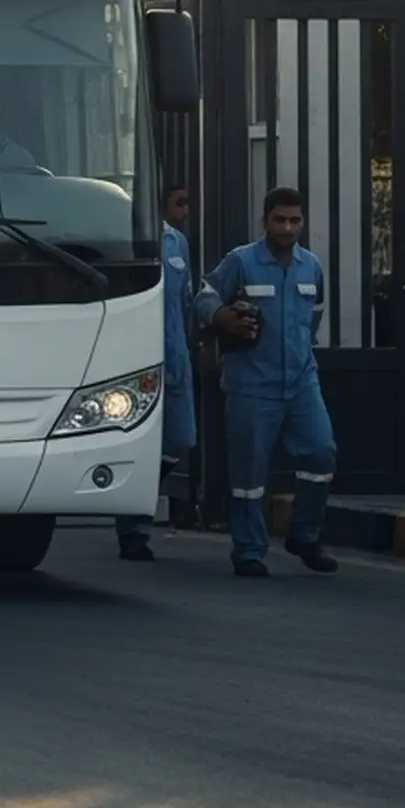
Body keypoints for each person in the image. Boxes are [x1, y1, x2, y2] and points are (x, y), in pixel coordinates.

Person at [202, 186, 341, 578]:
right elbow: (204, 297)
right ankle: (249, 550)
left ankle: (305, 535)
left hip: (300, 384)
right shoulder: (241, 262)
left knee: (321, 454)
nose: (287, 227)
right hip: (251, 385)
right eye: (279, 219)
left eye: (295, 220)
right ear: (265, 220)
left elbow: (313, 318)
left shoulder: (311, 266)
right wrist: (224, 317)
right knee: (248, 476)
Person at [119, 181, 201, 561]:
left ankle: (141, 495)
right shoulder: (129, 239)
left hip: (175, 353)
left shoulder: (178, 244)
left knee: (180, 438)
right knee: (140, 442)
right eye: (179, 203)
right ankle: (134, 527)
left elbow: (184, 301)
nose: (185, 211)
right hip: (138, 355)